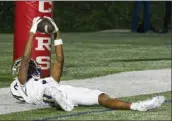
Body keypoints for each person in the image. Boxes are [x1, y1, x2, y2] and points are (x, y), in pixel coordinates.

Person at [10, 16, 165, 112]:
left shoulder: (47, 81)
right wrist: (32, 31)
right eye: (25, 66)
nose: (27, 65)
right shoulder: (24, 85)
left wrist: (57, 34)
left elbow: (59, 60)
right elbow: (25, 60)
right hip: (46, 94)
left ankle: (136, 106)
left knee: (100, 96)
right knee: (50, 91)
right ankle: (57, 99)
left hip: (63, 92)